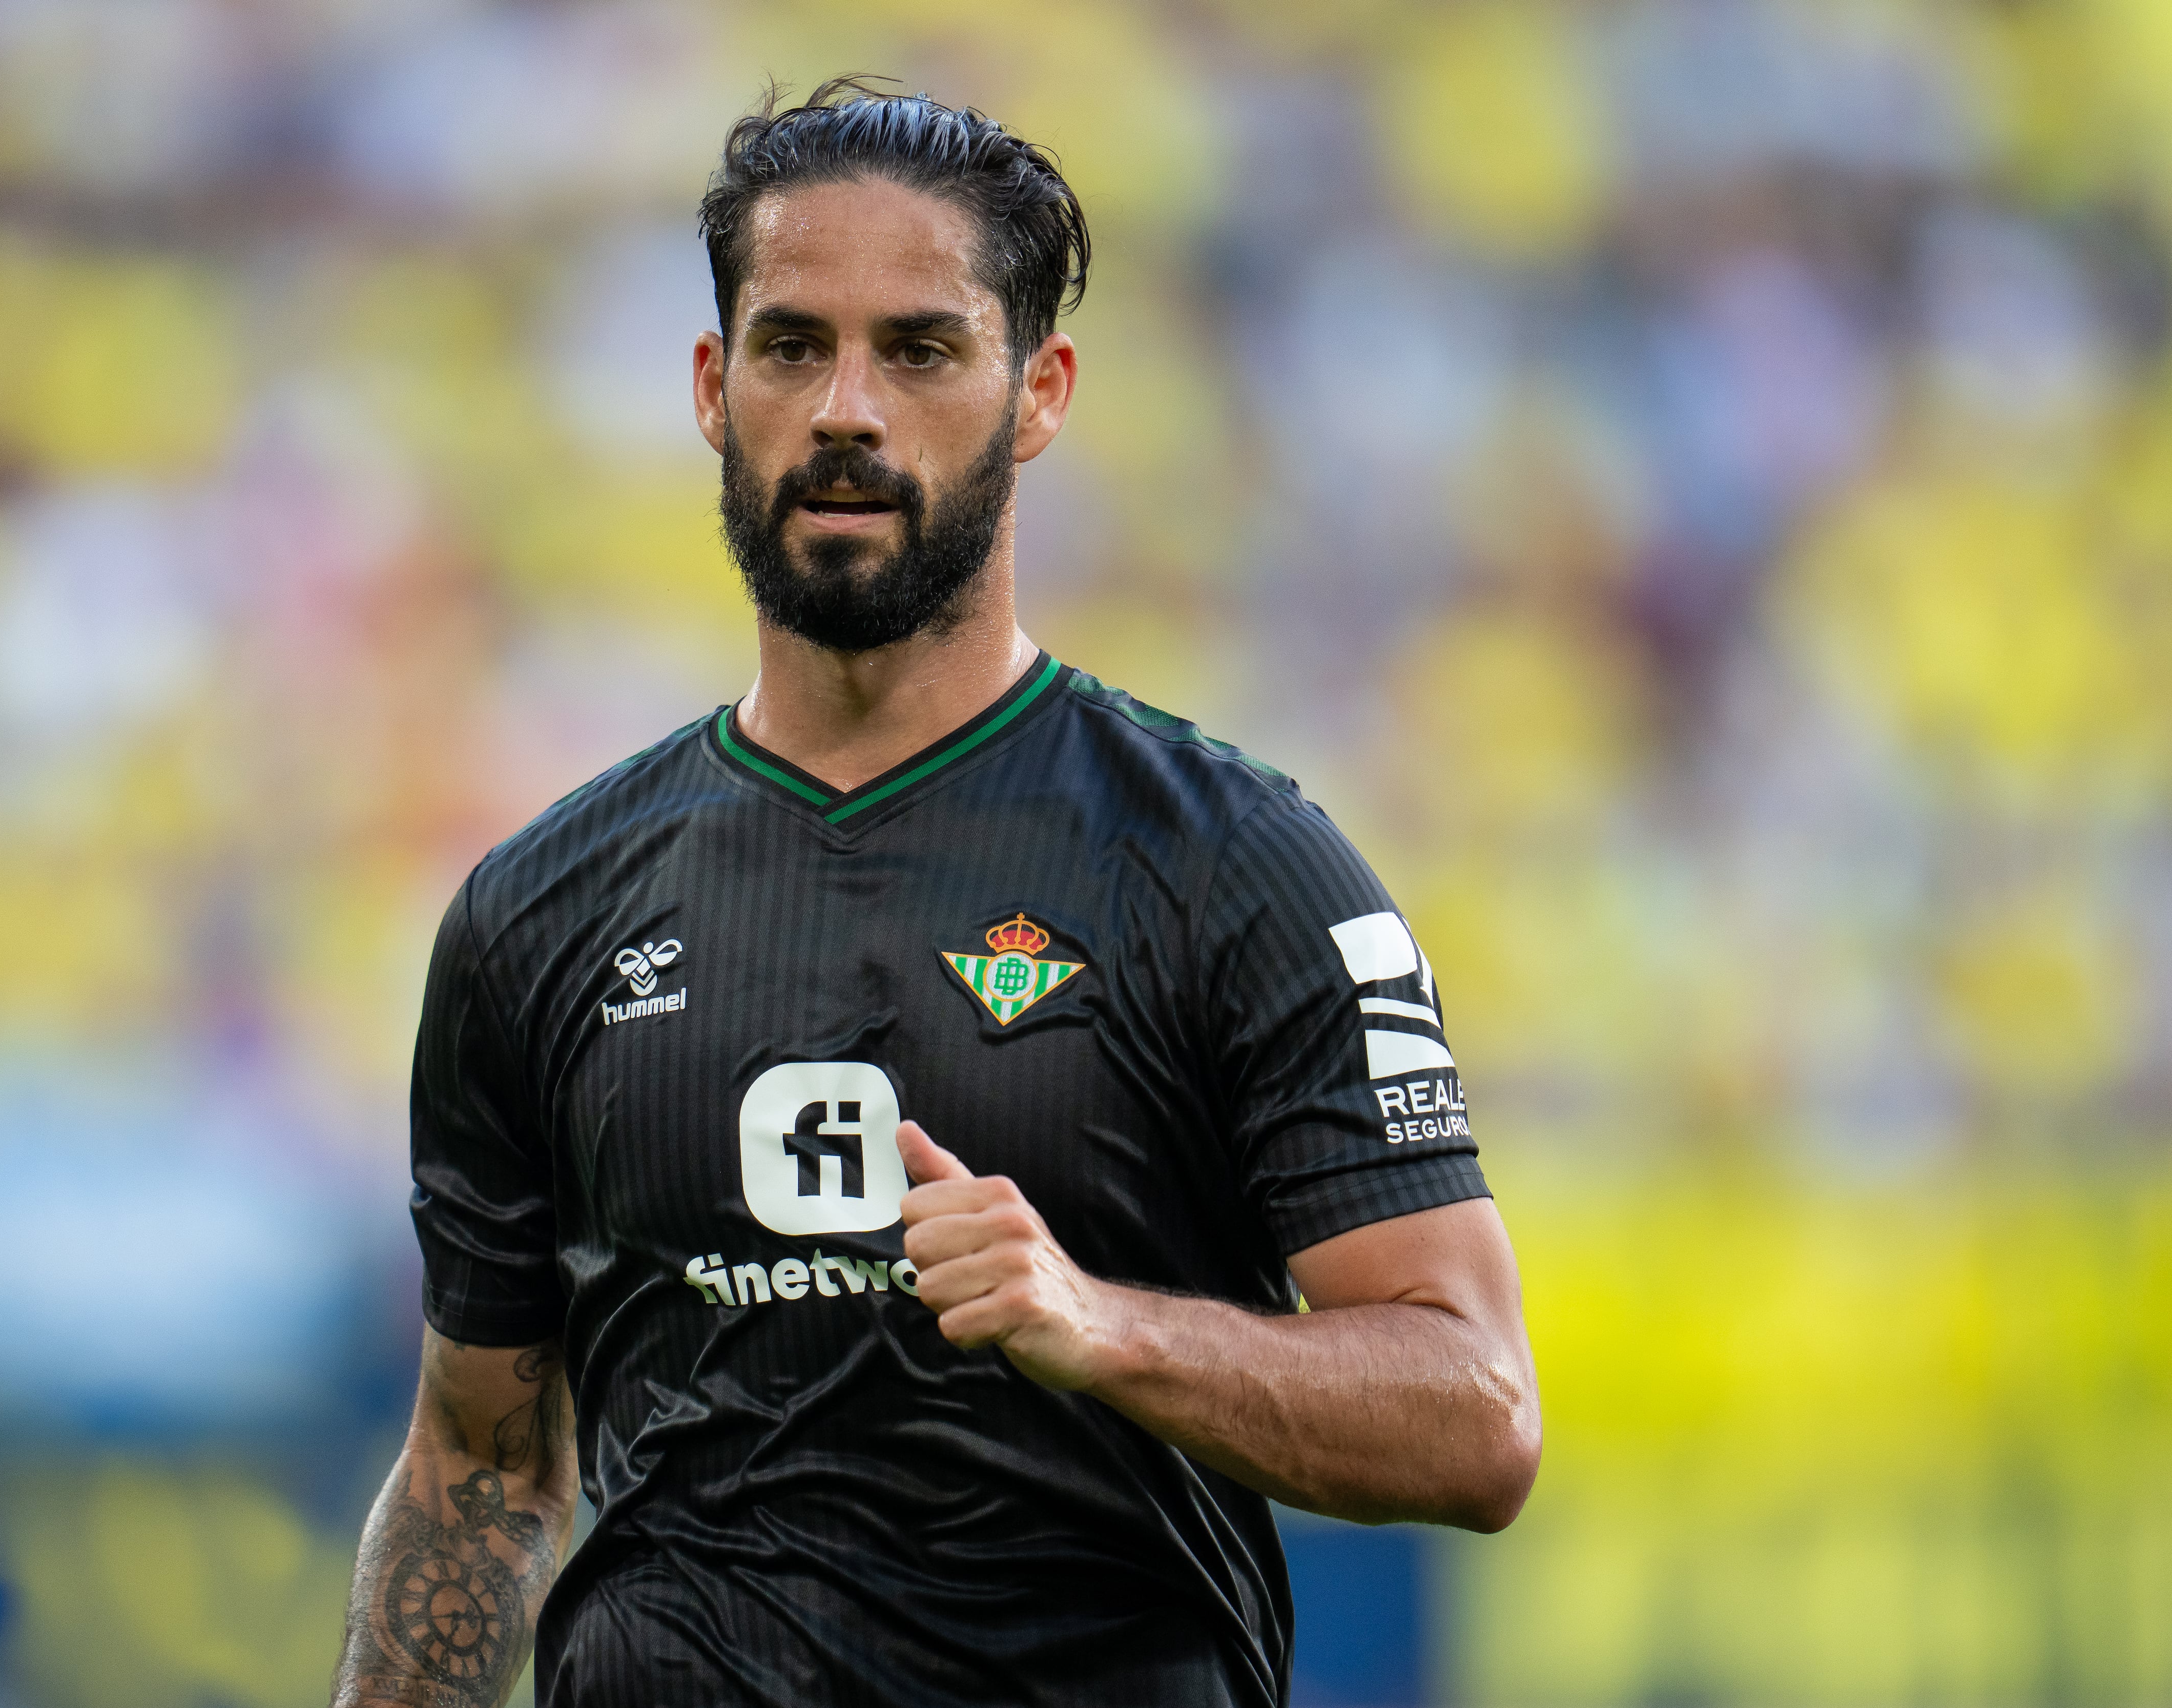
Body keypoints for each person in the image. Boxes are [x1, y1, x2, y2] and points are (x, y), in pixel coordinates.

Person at [332, 76, 1539, 1708]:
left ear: (1036, 393)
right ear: (710, 386)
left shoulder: (1231, 865)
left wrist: (1108, 1327)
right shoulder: (537, 913)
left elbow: (1477, 1414)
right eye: (791, 346)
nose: (847, 408)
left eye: (918, 350)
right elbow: (478, 1468)